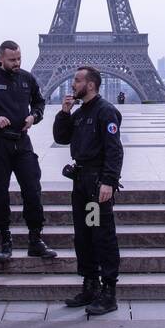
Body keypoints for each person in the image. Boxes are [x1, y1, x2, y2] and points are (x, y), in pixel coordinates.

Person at [0, 41, 57, 260]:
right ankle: (5, 240)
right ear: (1, 58)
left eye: (19, 59)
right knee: (1, 193)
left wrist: (34, 116)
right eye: (12, 59)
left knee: (32, 189)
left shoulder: (27, 78)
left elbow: (40, 102)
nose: (17, 63)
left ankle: (35, 239)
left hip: (22, 142)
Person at [53, 65, 124, 315]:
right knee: (83, 235)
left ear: (90, 84)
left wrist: (109, 181)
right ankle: (90, 284)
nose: (73, 84)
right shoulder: (80, 113)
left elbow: (114, 150)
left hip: (96, 185)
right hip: (81, 182)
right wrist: (64, 113)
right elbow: (62, 138)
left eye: (77, 80)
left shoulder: (106, 112)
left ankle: (109, 292)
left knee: (101, 235)